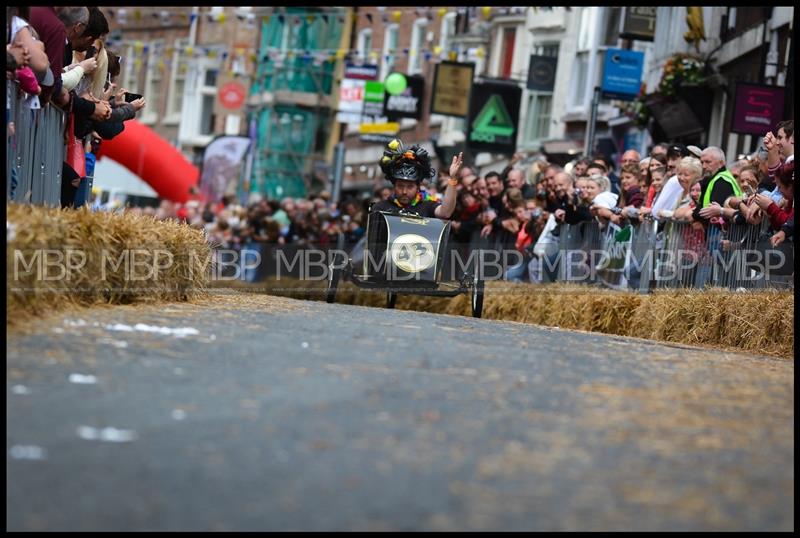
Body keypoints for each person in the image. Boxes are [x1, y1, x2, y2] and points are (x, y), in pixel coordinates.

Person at [370, 138, 462, 219]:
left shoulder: (427, 206)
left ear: (418, 187)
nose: (404, 191)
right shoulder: (380, 208)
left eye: (410, 187)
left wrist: (452, 179)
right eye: (400, 186)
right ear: (394, 185)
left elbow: (445, 213)